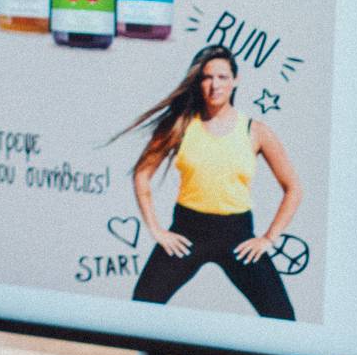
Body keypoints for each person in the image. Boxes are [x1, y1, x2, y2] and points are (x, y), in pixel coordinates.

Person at [117, 44, 302, 319]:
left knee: (282, 317)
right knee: (141, 306)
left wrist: (268, 239)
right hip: (188, 231)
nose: (215, 85)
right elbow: (142, 174)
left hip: (237, 234)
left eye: (222, 77)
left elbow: (293, 189)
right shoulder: (181, 126)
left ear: (235, 80)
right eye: (207, 77)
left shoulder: (255, 131)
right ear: (198, 81)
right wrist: (156, 230)